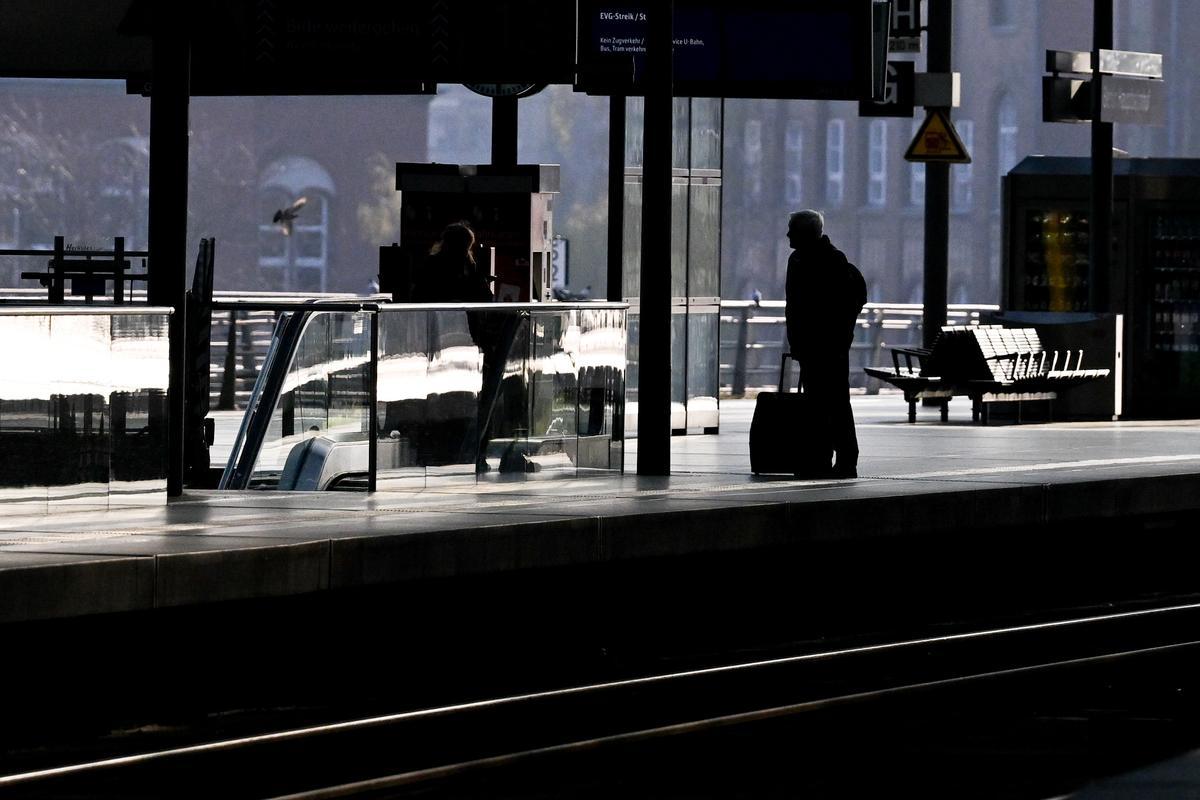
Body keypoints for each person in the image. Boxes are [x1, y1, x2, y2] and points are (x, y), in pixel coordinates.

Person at [784, 210, 867, 478]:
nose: (788, 234)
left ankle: (838, 460)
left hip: (827, 346)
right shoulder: (809, 260)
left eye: (792, 229)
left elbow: (799, 307)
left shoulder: (817, 262)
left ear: (805, 233)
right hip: (820, 346)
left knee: (830, 403)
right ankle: (829, 458)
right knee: (827, 403)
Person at [411, 221, 493, 304]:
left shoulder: (469, 266)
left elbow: (486, 296)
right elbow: (420, 296)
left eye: (467, 248)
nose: (466, 253)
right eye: (463, 248)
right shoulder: (432, 265)